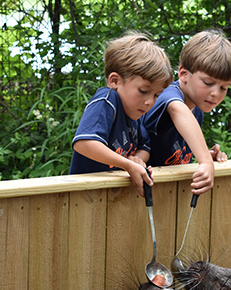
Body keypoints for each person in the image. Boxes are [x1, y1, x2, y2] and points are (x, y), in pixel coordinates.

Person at [138, 29, 231, 196]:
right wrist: (206, 162)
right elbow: (177, 109)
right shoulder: (168, 94)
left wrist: (204, 153)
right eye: (208, 83)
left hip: (166, 193)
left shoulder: (197, 106)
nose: (216, 93)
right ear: (184, 74)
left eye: (224, 87)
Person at [70, 32, 173, 194]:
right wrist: (127, 164)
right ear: (115, 81)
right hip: (83, 198)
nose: (150, 102)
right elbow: (84, 143)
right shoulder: (107, 100)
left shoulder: (134, 115)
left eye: (156, 95)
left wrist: (137, 159)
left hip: (109, 198)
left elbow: (145, 147)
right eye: (143, 91)